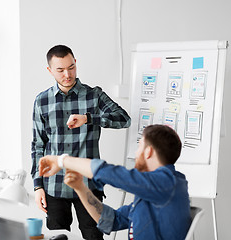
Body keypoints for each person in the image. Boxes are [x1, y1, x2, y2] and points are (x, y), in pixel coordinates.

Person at [31, 45, 131, 239]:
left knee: (94, 237)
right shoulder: (41, 101)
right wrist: (37, 186)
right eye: (60, 70)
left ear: (75, 63)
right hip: (54, 185)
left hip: (88, 186)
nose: (67, 74)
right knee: (57, 237)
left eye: (71, 67)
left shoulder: (94, 95)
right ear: (50, 70)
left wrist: (89, 118)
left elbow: (124, 119)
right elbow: (38, 146)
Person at [39, 124, 191, 240]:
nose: (136, 153)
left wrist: (61, 161)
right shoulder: (155, 190)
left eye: (139, 146)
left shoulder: (167, 184)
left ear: (148, 151)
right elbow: (110, 220)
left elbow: (114, 174)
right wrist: (80, 188)